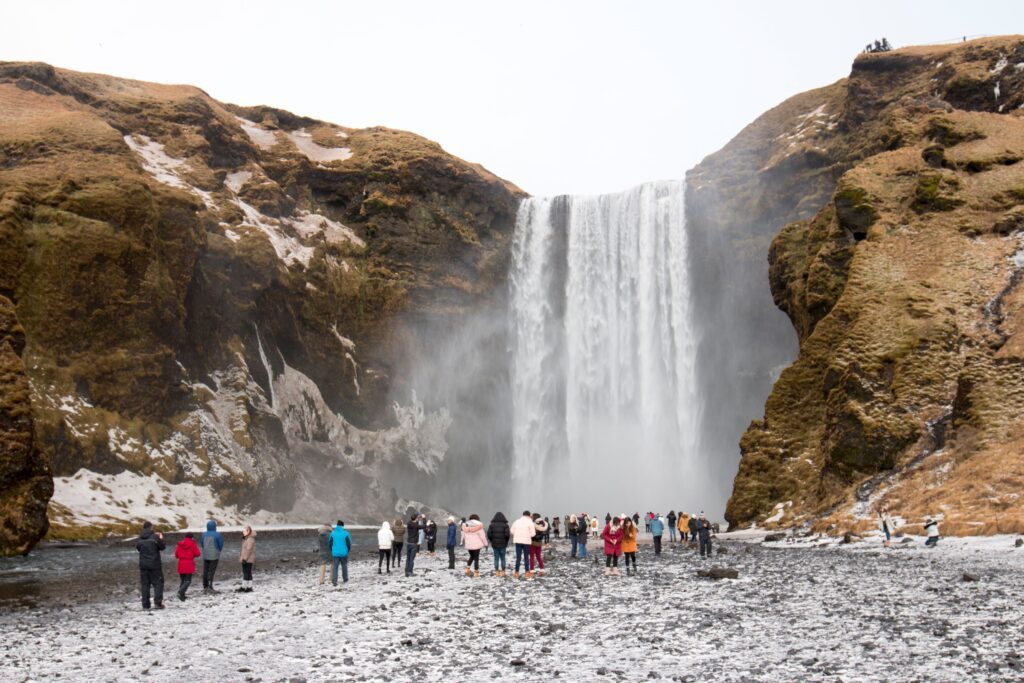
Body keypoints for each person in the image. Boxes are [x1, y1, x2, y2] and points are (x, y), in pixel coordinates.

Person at [136, 521, 166, 610]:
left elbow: (138, 548)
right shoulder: (155, 537)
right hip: (154, 564)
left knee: (145, 585)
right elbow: (163, 547)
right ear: (151, 528)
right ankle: (158, 603)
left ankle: (145, 605)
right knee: (158, 583)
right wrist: (161, 538)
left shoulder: (140, 538)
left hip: (143, 565)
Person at [174, 532, 201, 601]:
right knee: (188, 581)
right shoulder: (193, 544)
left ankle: (182, 595)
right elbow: (198, 554)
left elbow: (176, 555)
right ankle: (180, 592)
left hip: (181, 563)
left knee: (183, 580)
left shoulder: (180, 544)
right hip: (189, 564)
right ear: (192, 538)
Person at [510, 510, 536, 579]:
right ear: (529, 515)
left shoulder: (516, 521)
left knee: (518, 557)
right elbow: (533, 534)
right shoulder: (530, 522)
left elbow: (512, 531)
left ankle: (516, 572)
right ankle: (527, 572)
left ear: (523, 514)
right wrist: (528, 535)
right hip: (526, 542)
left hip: (518, 541)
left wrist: (517, 534)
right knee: (526, 557)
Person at [201, 519, 224, 593]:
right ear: (214, 526)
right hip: (214, 555)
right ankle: (210, 586)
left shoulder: (204, 534)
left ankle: (205, 585)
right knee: (211, 570)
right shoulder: (217, 534)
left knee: (205, 570)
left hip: (206, 554)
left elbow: (202, 544)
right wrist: (219, 550)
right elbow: (220, 544)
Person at [329, 520, 353, 586]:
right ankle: (345, 579)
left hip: (335, 553)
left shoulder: (332, 533)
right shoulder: (346, 533)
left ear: (337, 525)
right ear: (342, 526)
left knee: (335, 567)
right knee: (344, 566)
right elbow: (349, 544)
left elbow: (330, 544)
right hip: (344, 553)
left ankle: (334, 581)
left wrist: (332, 551)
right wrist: (347, 551)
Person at [487, 511, 510, 576]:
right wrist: (506, 541)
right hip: (503, 544)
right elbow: (507, 535)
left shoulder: (491, 525)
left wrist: (492, 540)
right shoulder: (506, 525)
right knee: (503, 558)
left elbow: (489, 535)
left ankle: (497, 571)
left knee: (496, 558)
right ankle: (503, 572)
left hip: (495, 544)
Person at [238, 526, 256, 593]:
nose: (243, 532)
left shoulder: (249, 539)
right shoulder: (247, 539)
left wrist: (245, 559)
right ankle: (248, 587)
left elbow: (249, 550)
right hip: (248, 558)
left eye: (244, 531)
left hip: (247, 559)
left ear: (248, 532)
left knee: (246, 572)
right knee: (247, 572)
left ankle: (245, 587)